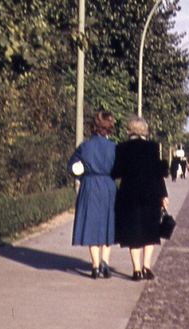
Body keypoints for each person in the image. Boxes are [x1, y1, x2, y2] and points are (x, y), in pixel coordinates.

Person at [113, 116, 169, 281]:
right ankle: (147, 267)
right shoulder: (153, 147)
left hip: (129, 194)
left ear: (129, 130)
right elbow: (158, 174)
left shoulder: (122, 148)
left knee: (133, 233)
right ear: (145, 130)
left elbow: (117, 172)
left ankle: (136, 270)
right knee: (150, 231)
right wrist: (163, 195)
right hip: (150, 194)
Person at [67, 110, 117, 279]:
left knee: (92, 224)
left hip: (89, 185)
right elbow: (119, 170)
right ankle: (105, 262)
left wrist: (83, 176)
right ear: (110, 127)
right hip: (108, 185)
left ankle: (95, 266)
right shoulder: (114, 148)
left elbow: (72, 167)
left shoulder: (85, 146)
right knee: (108, 223)